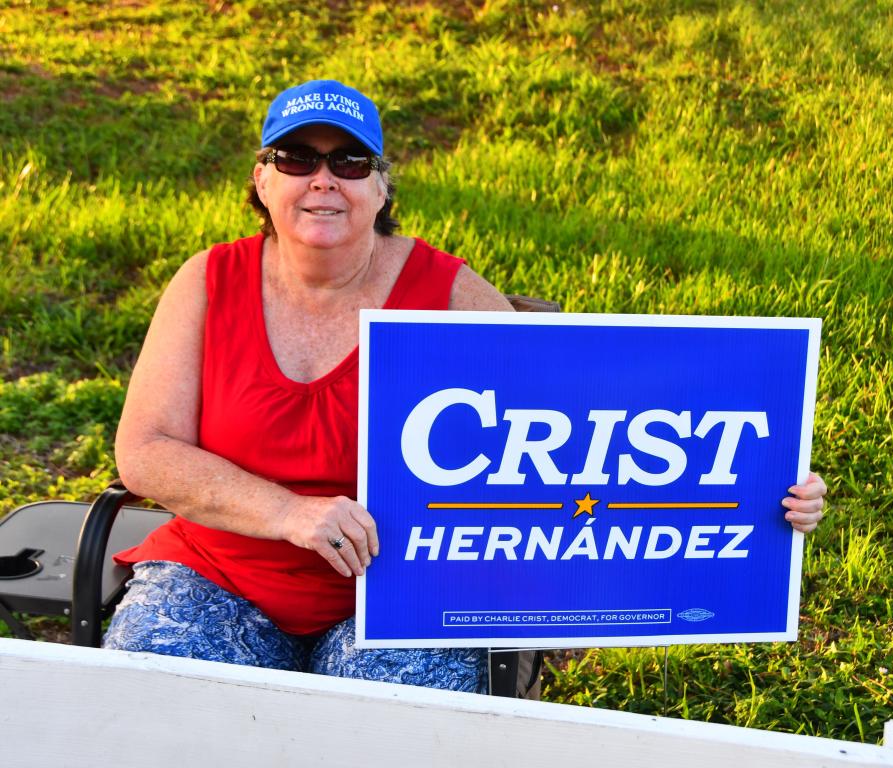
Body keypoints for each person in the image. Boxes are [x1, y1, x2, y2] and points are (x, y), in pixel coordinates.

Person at [105, 79, 827, 691]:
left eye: (350, 162)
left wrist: (761, 492)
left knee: (395, 738)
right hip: (220, 566)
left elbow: (588, 440)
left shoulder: (447, 292)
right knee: (148, 711)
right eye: (296, 157)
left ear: (381, 187)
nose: (323, 179)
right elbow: (145, 450)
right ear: (263, 180)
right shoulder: (207, 280)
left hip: (400, 591)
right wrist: (291, 512)